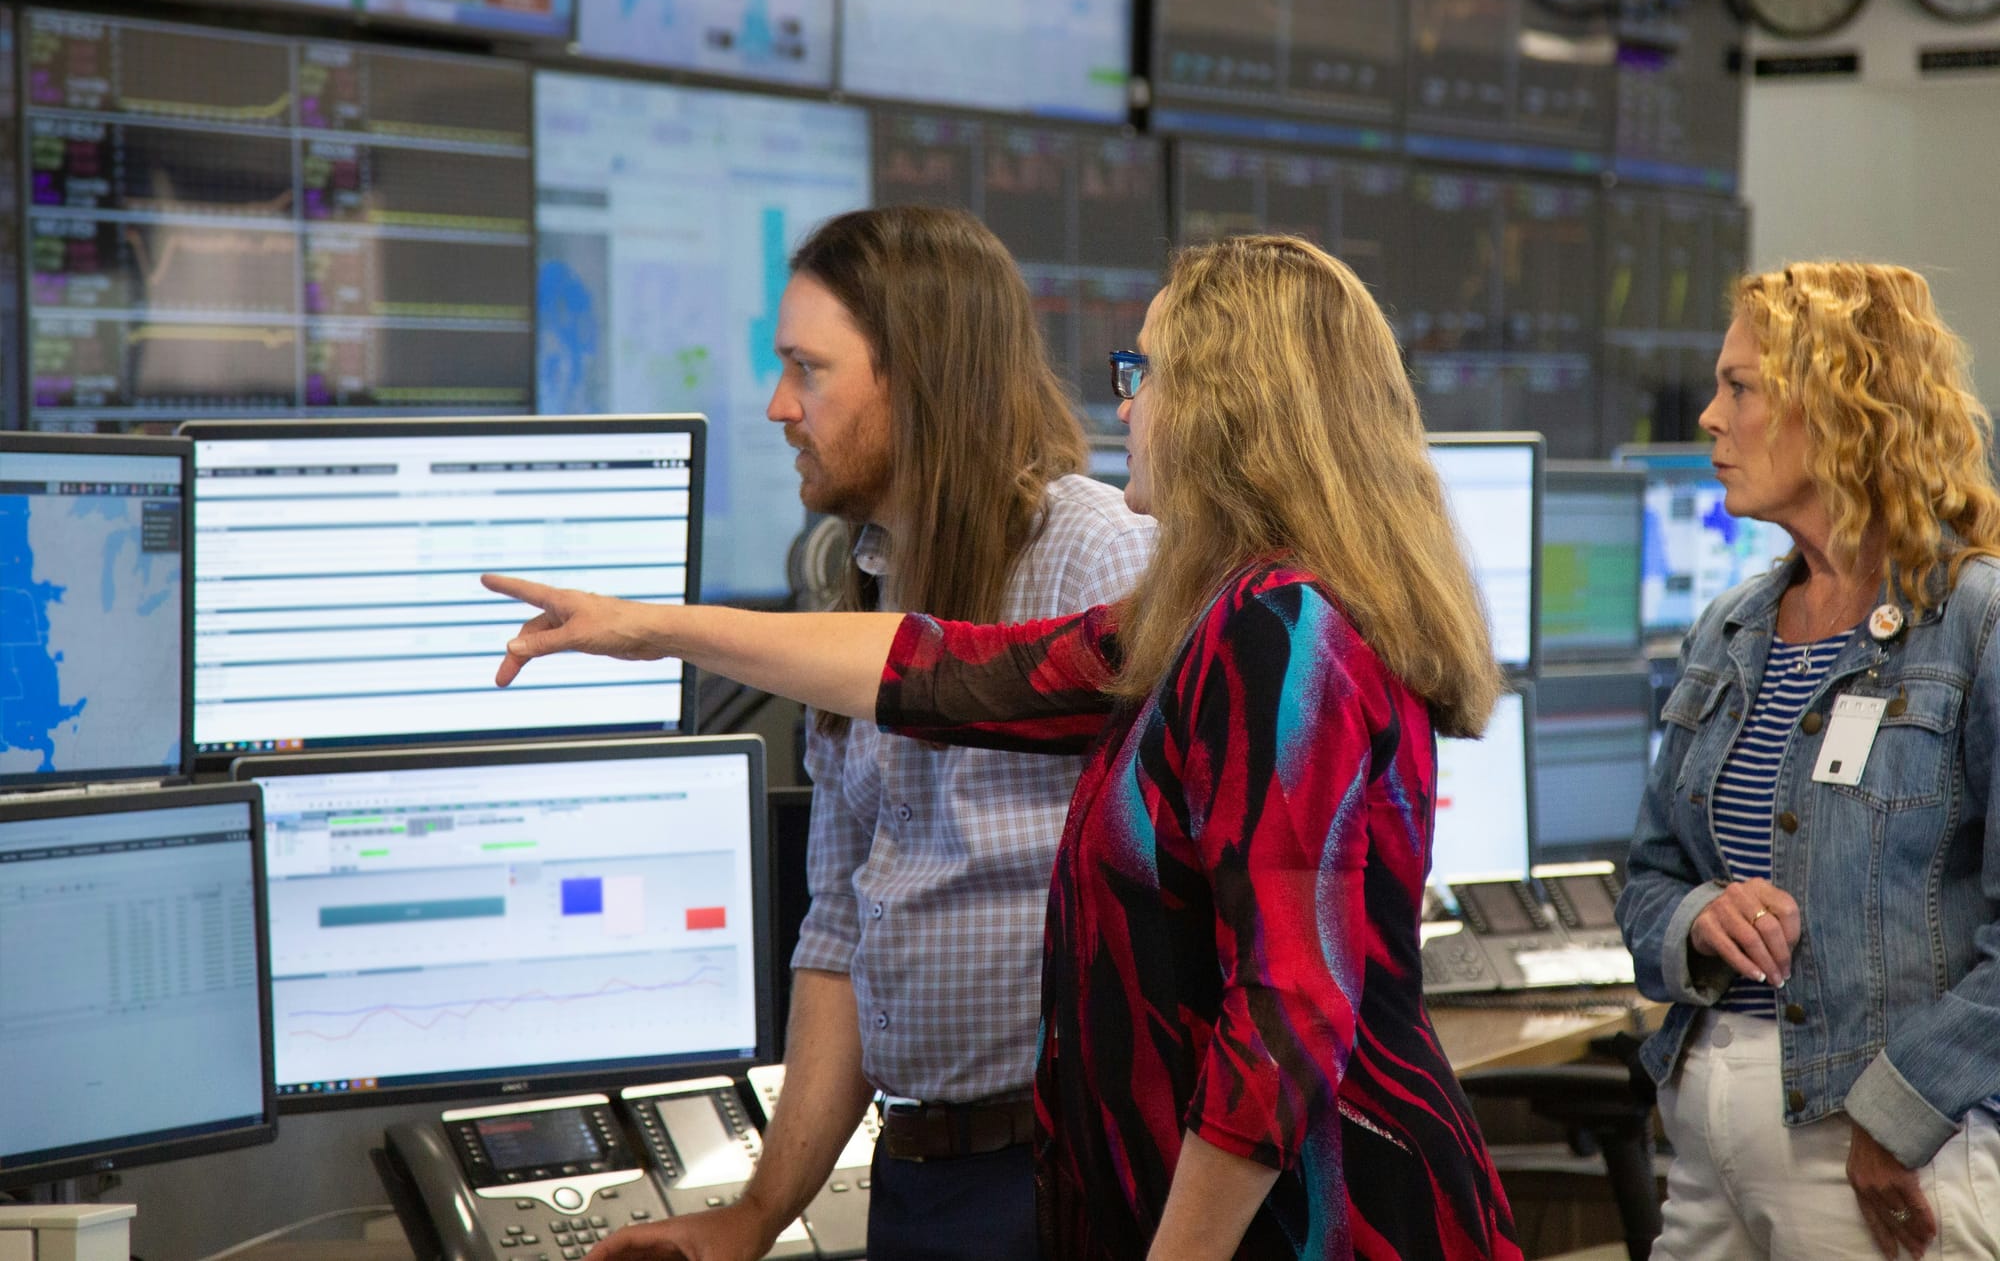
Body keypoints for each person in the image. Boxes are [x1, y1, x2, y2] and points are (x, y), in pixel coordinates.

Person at [486, 234, 1523, 1260]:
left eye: (1144, 371)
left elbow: (1287, 1011)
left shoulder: (1285, 630)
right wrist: (649, 626)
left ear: (1224, 400)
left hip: (1329, 1217)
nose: (1123, 404)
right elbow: (947, 672)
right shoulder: (1205, 618)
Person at [595, 206, 1153, 1261]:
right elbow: (842, 932)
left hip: (1063, 1175)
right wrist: (756, 1212)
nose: (777, 406)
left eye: (809, 370)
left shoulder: (1095, 560)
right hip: (916, 1183)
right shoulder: (853, 582)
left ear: (919, 377)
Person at [1618, 262, 2000, 1260]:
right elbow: (1650, 877)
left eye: (1738, 387)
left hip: (1885, 1154)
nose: (1708, 415)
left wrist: (1899, 1108)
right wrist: (1697, 917)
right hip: (1706, 1139)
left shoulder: (1974, 624)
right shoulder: (1729, 628)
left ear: (1836, 409)